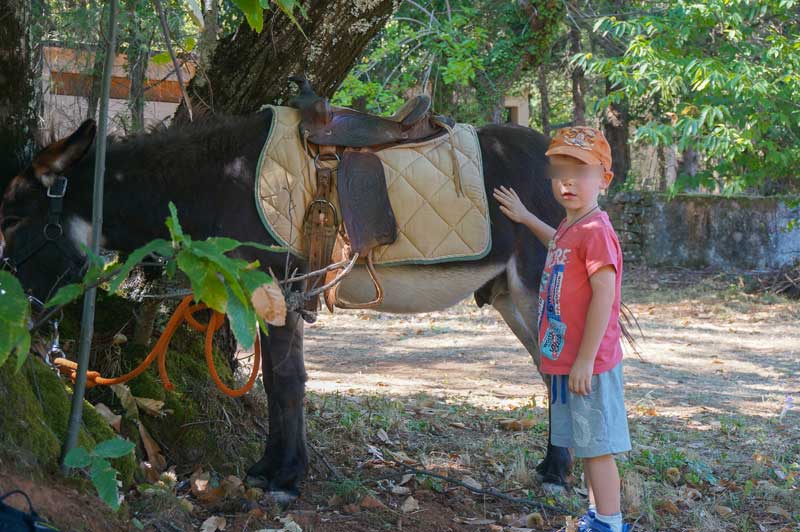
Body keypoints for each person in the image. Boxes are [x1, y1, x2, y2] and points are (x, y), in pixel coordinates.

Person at [493, 126, 632, 532]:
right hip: (567, 363)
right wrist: (526, 217)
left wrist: (586, 361)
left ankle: (610, 522)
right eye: (559, 171)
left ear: (604, 180)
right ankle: (597, 515)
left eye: (581, 171)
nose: (568, 181)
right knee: (587, 445)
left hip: (588, 366)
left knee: (598, 449)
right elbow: (559, 243)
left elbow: (604, 297)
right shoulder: (574, 226)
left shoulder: (597, 231)